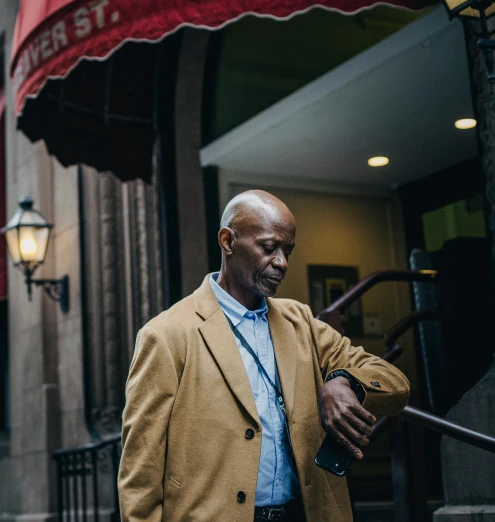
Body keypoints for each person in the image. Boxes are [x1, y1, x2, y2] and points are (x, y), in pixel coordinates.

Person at [118, 190, 410, 522]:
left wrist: (343, 382)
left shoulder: (301, 323)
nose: (282, 263)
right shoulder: (167, 335)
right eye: (269, 248)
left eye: (288, 251)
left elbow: (395, 384)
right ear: (227, 241)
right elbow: (140, 472)